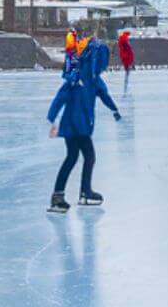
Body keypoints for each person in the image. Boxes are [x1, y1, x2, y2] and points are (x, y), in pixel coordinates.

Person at [46, 37, 122, 211]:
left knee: (73, 157)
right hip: (77, 127)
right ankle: (82, 192)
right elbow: (61, 97)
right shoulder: (81, 78)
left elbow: (104, 96)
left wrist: (114, 109)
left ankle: (62, 195)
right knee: (86, 156)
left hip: (75, 125)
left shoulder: (86, 77)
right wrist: (52, 118)